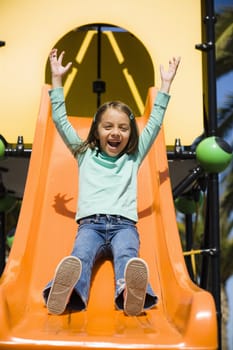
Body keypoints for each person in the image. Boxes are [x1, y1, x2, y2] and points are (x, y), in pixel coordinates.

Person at [43, 48, 180, 316]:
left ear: (131, 134)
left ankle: (130, 293)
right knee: (79, 257)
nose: (115, 132)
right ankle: (68, 292)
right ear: (96, 130)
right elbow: (59, 119)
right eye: (108, 127)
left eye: (123, 128)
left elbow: (154, 123)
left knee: (129, 258)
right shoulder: (84, 153)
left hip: (124, 226)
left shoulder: (133, 157)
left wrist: (165, 86)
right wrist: (57, 79)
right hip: (90, 226)